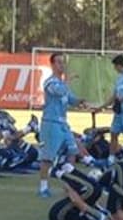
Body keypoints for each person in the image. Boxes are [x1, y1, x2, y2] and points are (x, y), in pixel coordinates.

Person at [39, 53, 92, 197]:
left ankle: (72, 184)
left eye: (63, 63)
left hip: (63, 124)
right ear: (52, 65)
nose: (62, 65)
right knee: (48, 157)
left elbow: (69, 98)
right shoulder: (50, 82)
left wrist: (80, 101)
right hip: (51, 123)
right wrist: (67, 81)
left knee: (73, 151)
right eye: (59, 63)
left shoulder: (62, 83)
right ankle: (43, 187)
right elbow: (60, 91)